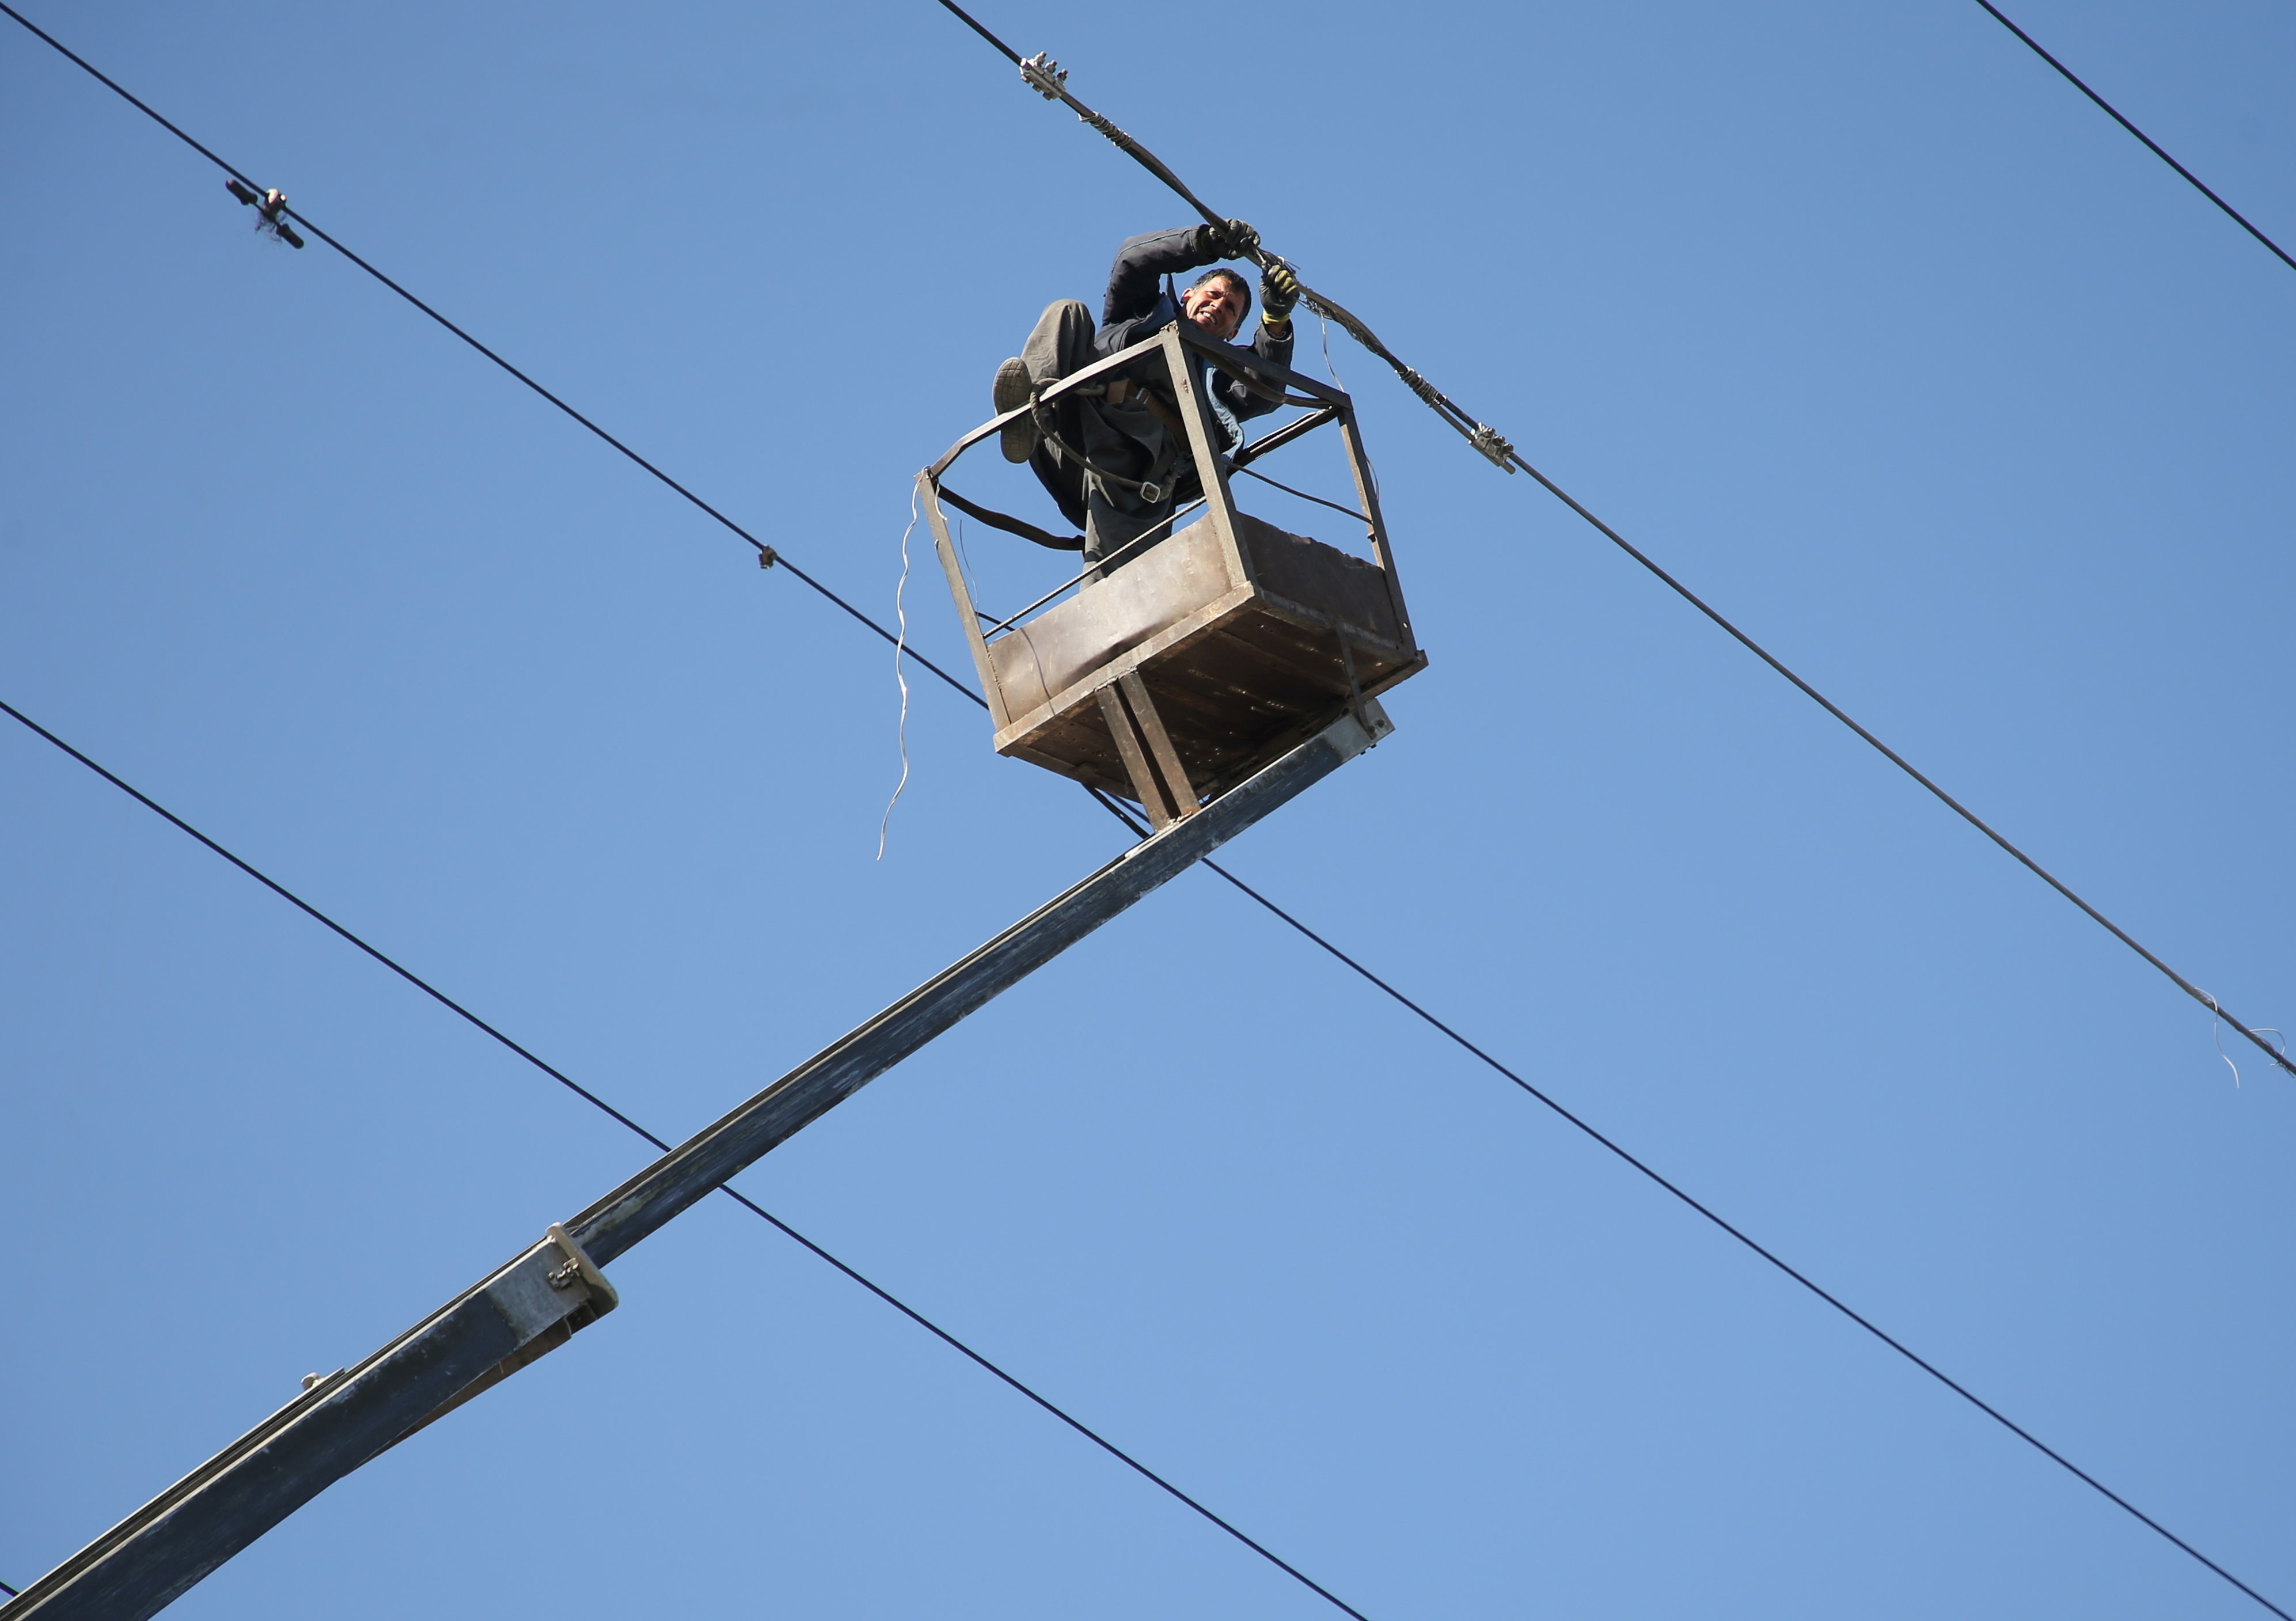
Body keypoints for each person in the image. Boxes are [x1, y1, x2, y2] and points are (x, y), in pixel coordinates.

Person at [993, 222, 1303, 571]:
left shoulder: (1218, 377)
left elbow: (1265, 392)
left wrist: (1276, 319)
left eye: (1230, 308)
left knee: (1120, 586)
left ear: (1232, 333)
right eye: (1213, 295)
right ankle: (1027, 415)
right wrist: (1203, 243)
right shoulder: (1139, 313)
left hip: (1132, 477)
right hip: (1071, 432)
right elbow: (1133, 259)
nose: (1218, 305)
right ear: (1187, 295)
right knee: (1068, 311)